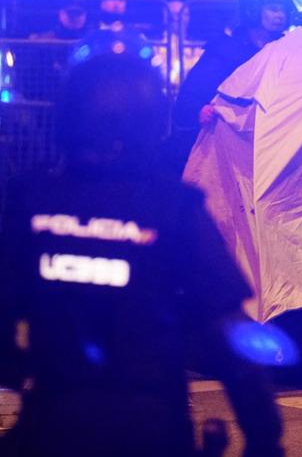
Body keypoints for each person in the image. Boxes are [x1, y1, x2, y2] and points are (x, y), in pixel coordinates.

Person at [0, 45, 283, 456]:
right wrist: (264, 438)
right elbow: (228, 331)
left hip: (54, 421)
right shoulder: (173, 206)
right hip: (150, 424)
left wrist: (29, 373)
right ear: (152, 122)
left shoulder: (30, 200)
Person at [169, 0, 296, 171]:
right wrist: (199, 110)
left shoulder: (288, 50)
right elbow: (191, 94)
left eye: (284, 10)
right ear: (254, 10)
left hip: (272, 142)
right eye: (273, 9)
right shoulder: (226, 50)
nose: (281, 16)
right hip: (227, 151)